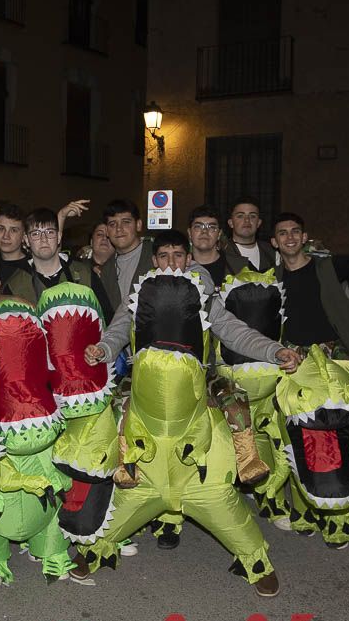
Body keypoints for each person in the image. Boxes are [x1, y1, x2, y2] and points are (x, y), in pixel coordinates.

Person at [82, 229, 299, 595]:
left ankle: (253, 548)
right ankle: (102, 541)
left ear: (188, 258)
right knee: (110, 426)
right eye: (164, 255)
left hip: (196, 395)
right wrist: (101, 350)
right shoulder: (139, 295)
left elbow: (236, 332)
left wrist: (274, 351)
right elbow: (117, 331)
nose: (171, 262)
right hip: (147, 400)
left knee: (235, 408)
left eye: (178, 255)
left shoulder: (204, 296)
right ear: (154, 260)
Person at [270, 212, 349, 367]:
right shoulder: (271, 279)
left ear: (304, 237)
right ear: (274, 242)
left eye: (295, 231)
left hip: (336, 355)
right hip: (294, 357)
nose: (290, 238)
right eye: (283, 233)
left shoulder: (330, 267)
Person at [3, 207, 112, 314]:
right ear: (26, 240)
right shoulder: (16, 286)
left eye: (50, 232)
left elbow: (107, 317)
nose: (44, 239)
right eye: (36, 233)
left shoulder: (85, 274)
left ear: (59, 236)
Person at [98, 199, 153, 315]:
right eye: (112, 224)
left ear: (138, 225)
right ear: (107, 231)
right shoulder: (106, 270)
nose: (119, 229)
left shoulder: (158, 255)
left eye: (126, 222)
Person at [222, 198, 276, 273]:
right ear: (231, 223)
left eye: (252, 216)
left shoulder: (272, 252)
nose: (247, 220)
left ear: (259, 223)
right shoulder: (221, 253)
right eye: (240, 216)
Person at [0, 204, 31, 285]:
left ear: (24, 236)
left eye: (13, 230)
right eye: (1, 229)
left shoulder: (33, 269)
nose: (5, 236)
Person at [187, 205, 231, 287]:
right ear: (189, 233)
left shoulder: (239, 266)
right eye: (198, 227)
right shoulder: (178, 266)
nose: (204, 231)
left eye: (211, 227)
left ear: (219, 234)